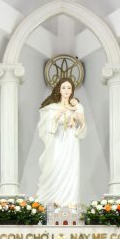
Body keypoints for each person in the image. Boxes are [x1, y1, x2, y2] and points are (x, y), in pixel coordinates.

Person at [36, 77, 87, 207]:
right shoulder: (53, 107)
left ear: (72, 90)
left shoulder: (76, 106)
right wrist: (57, 116)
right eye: (64, 87)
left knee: (71, 169)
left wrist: (77, 109)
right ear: (59, 89)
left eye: (69, 88)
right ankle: (55, 201)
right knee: (56, 166)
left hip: (71, 140)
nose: (66, 90)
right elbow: (46, 126)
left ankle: (70, 203)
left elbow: (82, 123)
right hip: (57, 141)